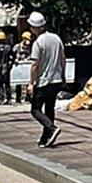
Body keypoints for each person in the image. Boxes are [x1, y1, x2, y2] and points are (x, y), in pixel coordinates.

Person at [26, 12, 65, 148]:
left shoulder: (38, 43)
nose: (30, 29)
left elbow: (35, 64)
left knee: (35, 110)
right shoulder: (56, 39)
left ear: (36, 27)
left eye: (31, 26)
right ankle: (45, 138)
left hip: (44, 81)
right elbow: (62, 58)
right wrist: (63, 75)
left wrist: (31, 83)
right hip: (56, 80)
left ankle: (51, 128)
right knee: (49, 109)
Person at [0, 31, 15, 105]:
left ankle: (1, 98)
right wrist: (11, 64)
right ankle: (8, 98)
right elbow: (13, 55)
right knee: (7, 82)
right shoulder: (8, 47)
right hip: (7, 67)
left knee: (0, 83)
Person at [14, 31, 33, 103]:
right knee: (18, 82)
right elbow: (14, 54)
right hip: (19, 66)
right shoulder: (18, 46)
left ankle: (28, 97)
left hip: (27, 66)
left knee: (27, 82)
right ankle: (18, 98)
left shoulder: (30, 47)